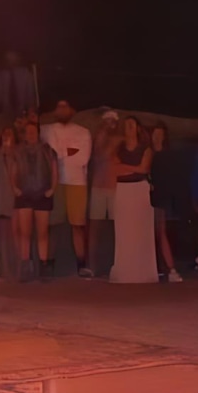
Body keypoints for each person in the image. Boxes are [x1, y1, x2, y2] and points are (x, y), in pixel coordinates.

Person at [43, 99, 92, 277]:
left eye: (65, 106)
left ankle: (81, 264)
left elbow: (82, 159)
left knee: (78, 226)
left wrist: (59, 153)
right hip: (56, 182)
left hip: (77, 182)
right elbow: (48, 154)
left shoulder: (83, 133)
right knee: (53, 225)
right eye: (59, 106)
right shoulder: (46, 130)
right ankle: (48, 264)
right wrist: (68, 152)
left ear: (72, 110)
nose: (62, 110)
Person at [110, 116, 157, 284]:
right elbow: (114, 169)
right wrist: (134, 169)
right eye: (126, 124)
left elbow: (144, 169)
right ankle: (126, 270)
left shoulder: (146, 148)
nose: (129, 127)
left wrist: (127, 168)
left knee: (141, 230)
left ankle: (142, 271)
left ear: (137, 128)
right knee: (124, 231)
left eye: (132, 124)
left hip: (139, 189)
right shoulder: (119, 148)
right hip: (123, 190)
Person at [11, 122, 58, 282]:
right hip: (24, 194)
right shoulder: (18, 151)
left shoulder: (47, 150)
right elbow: (13, 169)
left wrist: (52, 188)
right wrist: (15, 187)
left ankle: (43, 265)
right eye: (28, 132)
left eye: (33, 131)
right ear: (24, 134)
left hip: (42, 194)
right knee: (25, 232)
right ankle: (25, 266)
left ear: (38, 133)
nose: (30, 134)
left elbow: (54, 169)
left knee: (42, 233)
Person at [88, 110, 120, 277]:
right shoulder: (98, 139)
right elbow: (100, 154)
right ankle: (92, 267)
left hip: (115, 188)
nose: (110, 124)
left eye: (112, 121)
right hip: (99, 187)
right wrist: (103, 132)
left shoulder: (119, 139)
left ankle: (119, 265)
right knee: (95, 228)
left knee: (119, 229)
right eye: (107, 121)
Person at [149, 122, 182, 282]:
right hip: (147, 197)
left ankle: (171, 269)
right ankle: (157, 268)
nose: (156, 137)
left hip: (161, 198)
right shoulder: (149, 153)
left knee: (161, 232)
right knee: (150, 234)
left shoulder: (167, 155)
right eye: (154, 134)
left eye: (159, 134)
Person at [0, 126, 18, 280]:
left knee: (14, 235)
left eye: (10, 133)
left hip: (14, 199)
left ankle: (15, 269)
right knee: (0, 234)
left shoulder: (19, 153)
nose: (7, 136)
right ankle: (2, 268)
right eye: (4, 133)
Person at [0, 50, 35, 120]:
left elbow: (30, 91)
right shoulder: (2, 74)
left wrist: (30, 106)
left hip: (22, 108)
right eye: (9, 59)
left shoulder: (25, 73)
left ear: (17, 59)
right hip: (7, 109)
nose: (11, 62)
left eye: (13, 59)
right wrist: (1, 105)